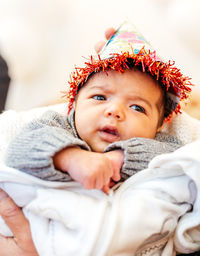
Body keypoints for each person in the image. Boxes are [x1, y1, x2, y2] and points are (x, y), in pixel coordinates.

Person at [0, 22, 195, 255]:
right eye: (100, 97)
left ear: (160, 124)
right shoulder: (55, 125)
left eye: (137, 107)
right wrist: (71, 158)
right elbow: (21, 150)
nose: (114, 111)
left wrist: (121, 158)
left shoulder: (164, 145)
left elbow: (180, 164)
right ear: (73, 105)